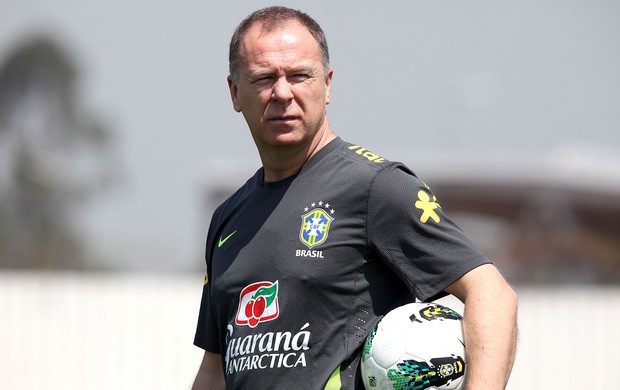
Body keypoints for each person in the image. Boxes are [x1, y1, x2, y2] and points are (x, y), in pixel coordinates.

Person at [192, 6, 517, 390]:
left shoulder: (378, 187)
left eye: (299, 75)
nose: (282, 92)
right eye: (264, 78)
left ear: (327, 84)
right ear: (235, 92)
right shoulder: (228, 218)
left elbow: (492, 293)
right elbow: (215, 369)